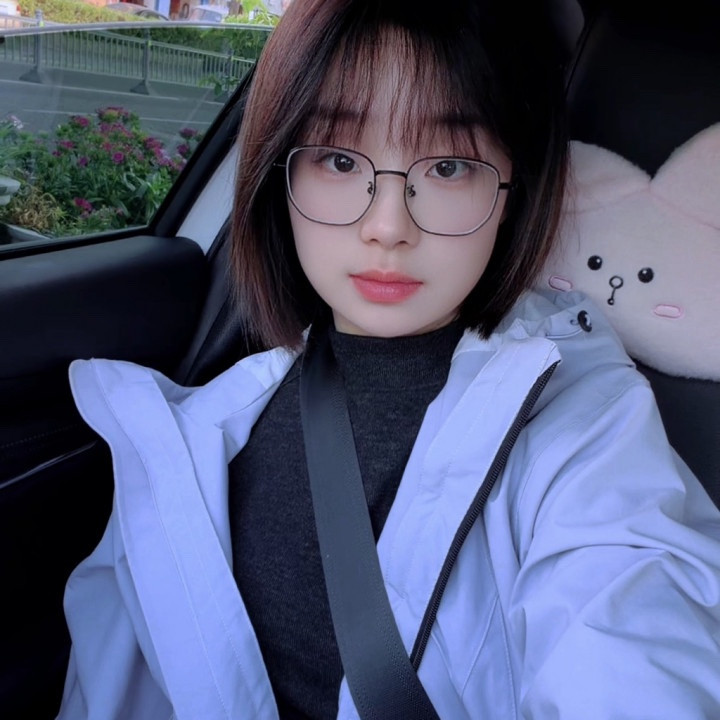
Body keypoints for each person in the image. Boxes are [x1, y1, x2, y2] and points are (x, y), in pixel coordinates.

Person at [57, 1, 720, 718]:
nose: (387, 226)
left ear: (512, 189)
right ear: (282, 173)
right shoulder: (197, 431)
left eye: (448, 166)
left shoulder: (583, 427)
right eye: (340, 161)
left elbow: (632, 627)